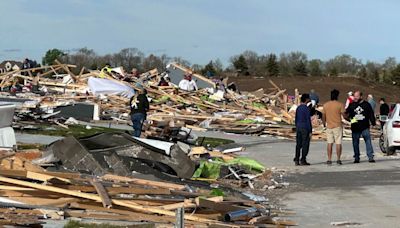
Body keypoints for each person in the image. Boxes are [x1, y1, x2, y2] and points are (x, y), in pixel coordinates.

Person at [346, 91, 376, 163]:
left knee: (368, 141)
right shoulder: (352, 105)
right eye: (354, 96)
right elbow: (347, 114)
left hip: (364, 126)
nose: (355, 98)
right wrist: (351, 119)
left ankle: (370, 157)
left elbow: (371, 114)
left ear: (361, 96)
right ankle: (356, 157)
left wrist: (373, 122)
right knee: (355, 143)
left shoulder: (366, 104)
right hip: (355, 127)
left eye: (357, 96)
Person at [322, 89, 346, 165]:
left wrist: (324, 124)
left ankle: (329, 159)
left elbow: (323, 116)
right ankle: (338, 159)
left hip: (329, 126)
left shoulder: (326, 105)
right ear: (337, 96)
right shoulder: (340, 104)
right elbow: (344, 115)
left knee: (329, 143)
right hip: (337, 126)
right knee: (338, 143)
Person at [294, 94, 312, 166]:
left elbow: (296, 118)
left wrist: (296, 126)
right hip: (305, 127)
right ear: (306, 99)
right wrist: (310, 130)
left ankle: (297, 159)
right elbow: (308, 120)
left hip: (299, 127)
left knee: (298, 144)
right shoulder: (306, 108)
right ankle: (303, 159)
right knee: (305, 144)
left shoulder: (298, 108)